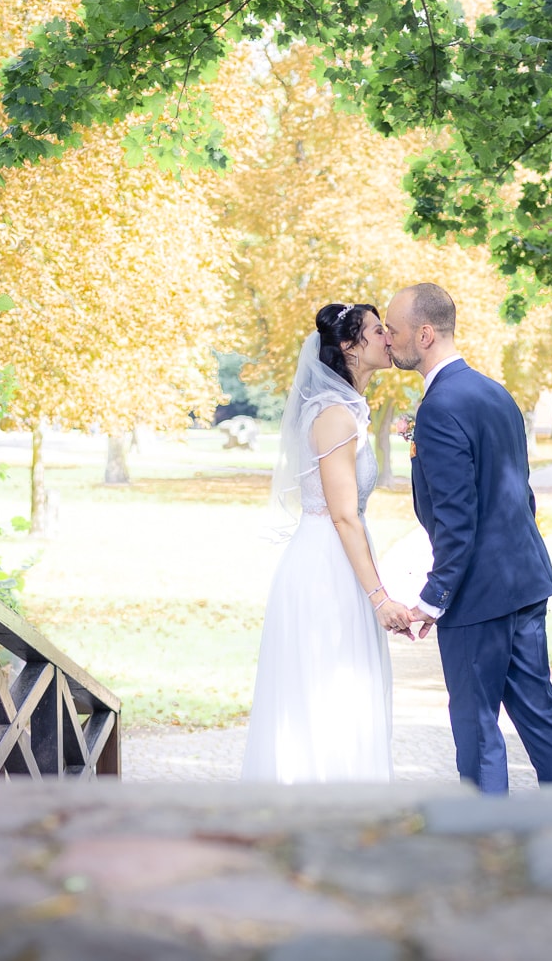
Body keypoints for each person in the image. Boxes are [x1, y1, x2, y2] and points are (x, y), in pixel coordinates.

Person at [383, 283, 552, 794]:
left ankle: (486, 842)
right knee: (539, 711)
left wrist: (433, 598)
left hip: (477, 597)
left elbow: (456, 518)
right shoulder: (496, 393)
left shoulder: (440, 408)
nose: (388, 340)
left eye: (395, 330)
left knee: (476, 726)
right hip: (524, 580)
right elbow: (519, 495)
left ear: (425, 334)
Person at [241, 303, 419, 782]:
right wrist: (379, 597)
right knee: (328, 692)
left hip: (339, 559)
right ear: (349, 347)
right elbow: (343, 515)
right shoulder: (334, 417)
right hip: (325, 568)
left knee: (347, 690)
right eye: (378, 330)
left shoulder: (346, 412)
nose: (388, 336)